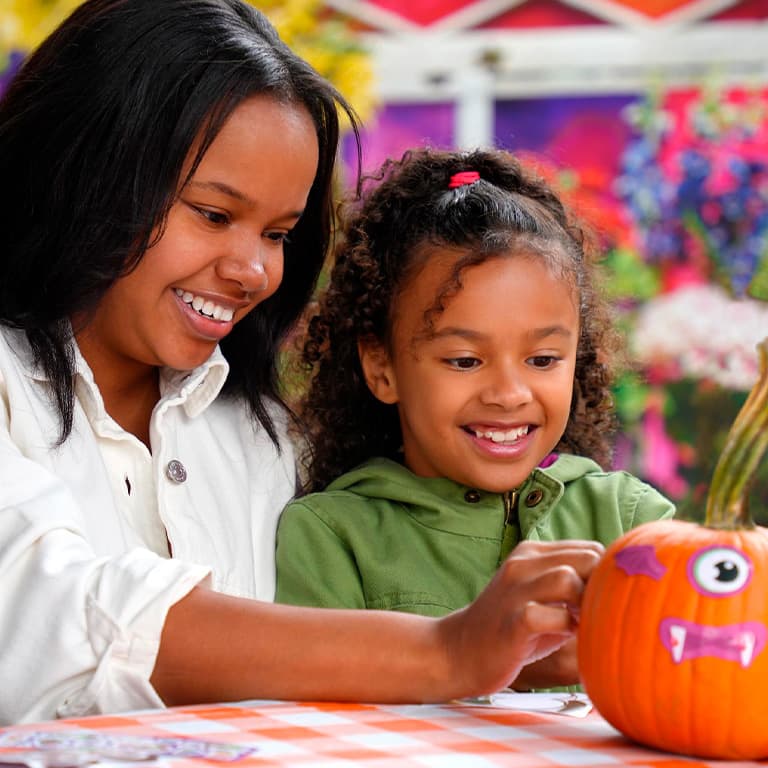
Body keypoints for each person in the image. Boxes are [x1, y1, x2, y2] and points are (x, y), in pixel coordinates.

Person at [0, 0, 605, 725]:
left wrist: (528, 641)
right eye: (214, 214)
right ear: (83, 174)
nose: (255, 270)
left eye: (280, 231)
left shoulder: (264, 442)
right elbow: (51, 612)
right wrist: (447, 651)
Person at [275, 148, 675, 690]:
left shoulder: (630, 522)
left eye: (542, 360)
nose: (509, 395)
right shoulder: (331, 537)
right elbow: (316, 720)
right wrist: (511, 665)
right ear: (382, 366)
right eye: (465, 361)